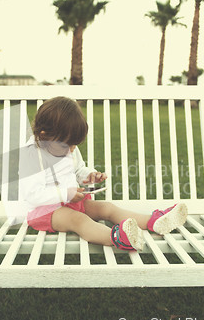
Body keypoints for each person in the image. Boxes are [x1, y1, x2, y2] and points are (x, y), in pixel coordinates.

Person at [18, 96, 188, 251]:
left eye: (75, 145)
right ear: (44, 135)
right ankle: (116, 237)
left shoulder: (65, 146)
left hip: (71, 201)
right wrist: (66, 194)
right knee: (78, 219)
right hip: (46, 211)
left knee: (107, 208)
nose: (71, 150)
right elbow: (33, 195)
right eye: (66, 146)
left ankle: (154, 221)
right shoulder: (32, 155)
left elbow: (78, 170)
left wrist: (89, 175)